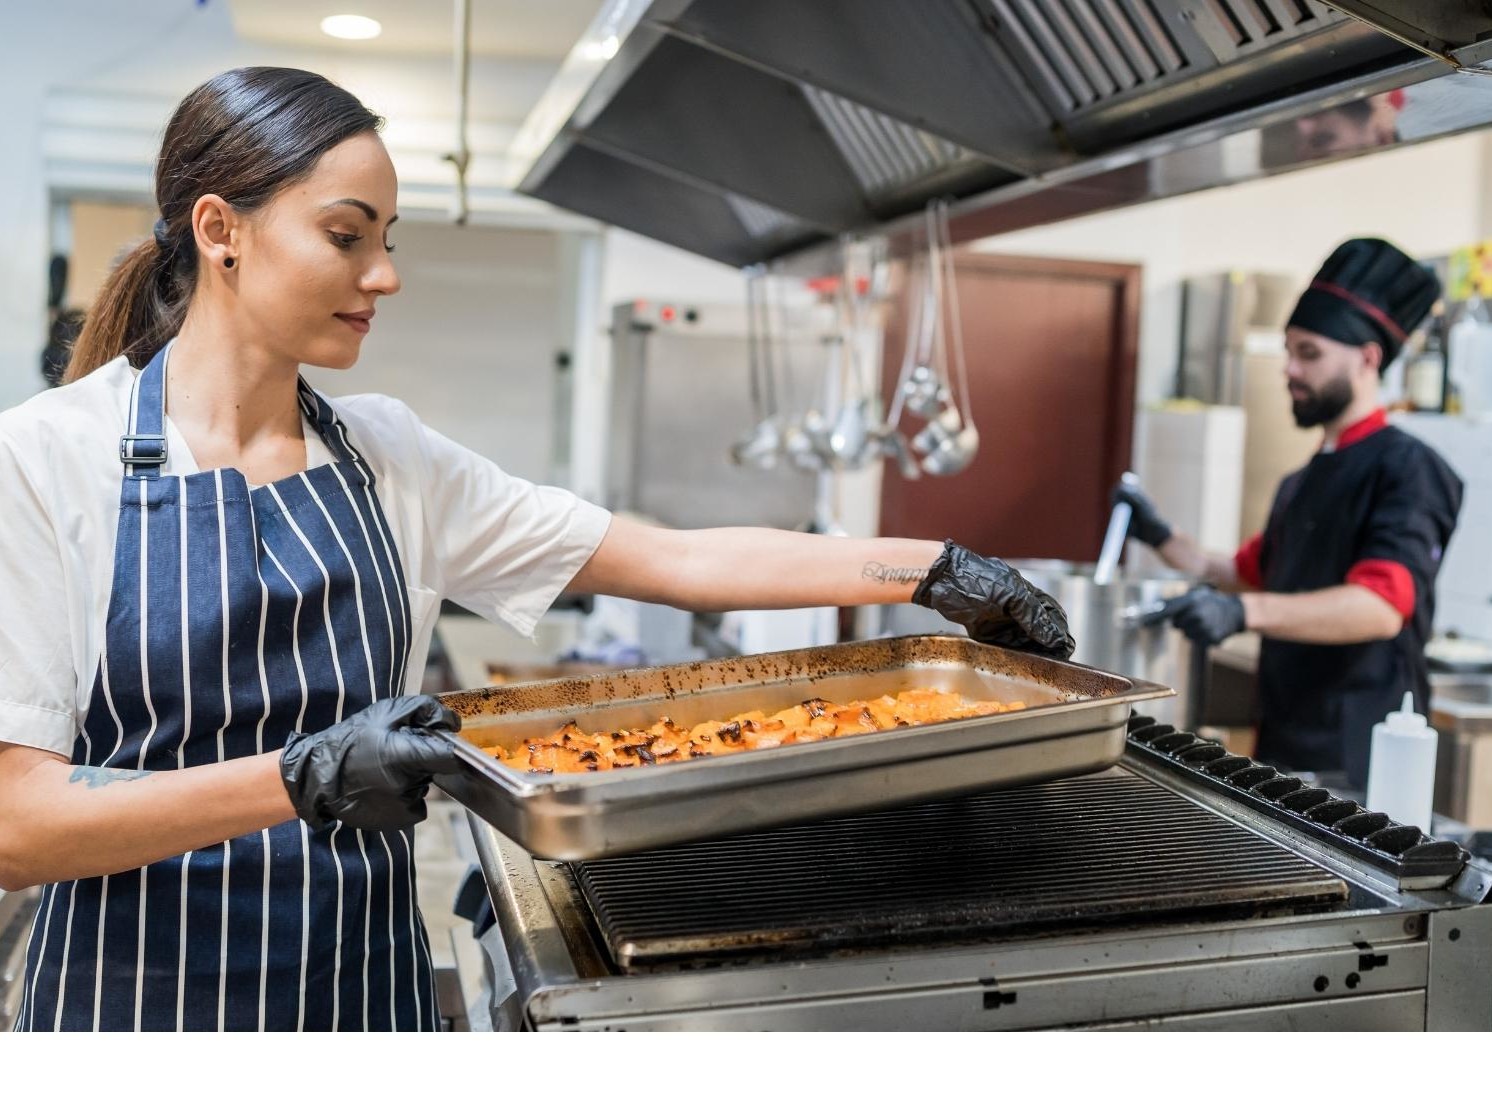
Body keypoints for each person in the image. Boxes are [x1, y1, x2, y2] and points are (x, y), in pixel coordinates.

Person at [0, 67, 1072, 1032]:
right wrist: (305, 775)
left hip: (359, 999)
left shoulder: (388, 456)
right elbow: (20, 824)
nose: (384, 275)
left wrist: (930, 568)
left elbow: (674, 560)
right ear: (219, 228)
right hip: (130, 1009)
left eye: (389, 240)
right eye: (346, 235)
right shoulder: (49, 459)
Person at [1115, 237, 1462, 787]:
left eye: (1309, 354)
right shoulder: (1304, 479)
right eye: (1288, 351)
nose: (1289, 370)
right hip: (1286, 743)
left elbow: (1379, 606)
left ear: (1368, 358)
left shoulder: (1407, 469)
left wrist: (1244, 615)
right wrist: (1160, 533)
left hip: (1359, 762)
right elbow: (1245, 573)